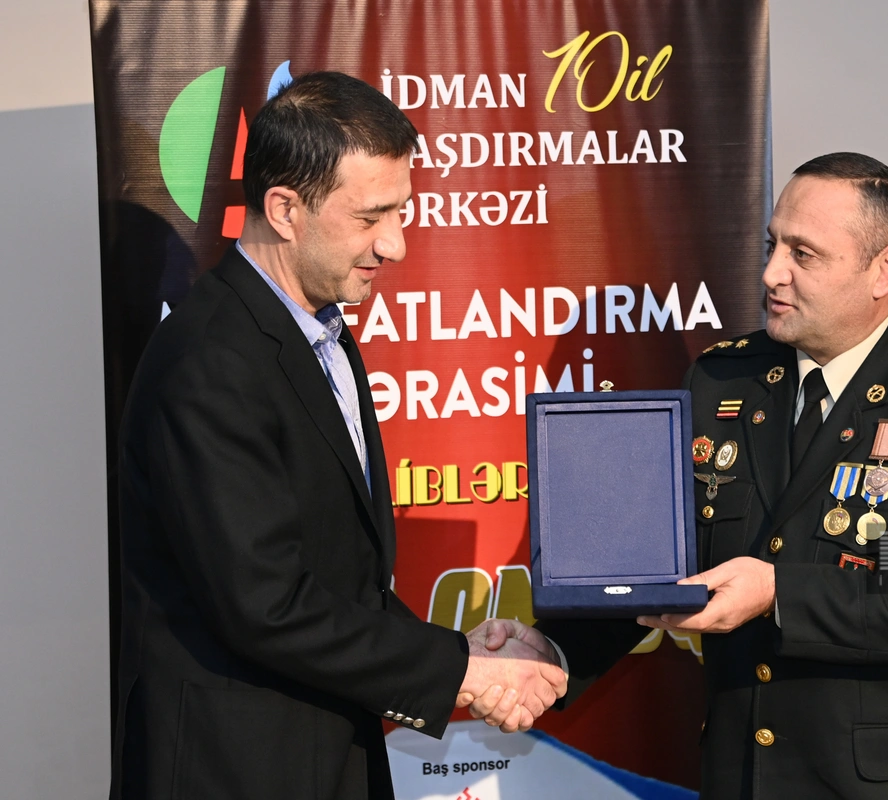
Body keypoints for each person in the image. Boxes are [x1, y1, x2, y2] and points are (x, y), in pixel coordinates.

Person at [475, 153, 888, 799]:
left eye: (804, 254)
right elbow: (657, 568)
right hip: (748, 776)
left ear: (885, 269)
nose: (772, 272)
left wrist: (780, 593)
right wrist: (550, 655)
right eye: (773, 244)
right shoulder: (723, 380)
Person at [110, 71, 564, 800]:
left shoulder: (319, 331)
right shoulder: (209, 362)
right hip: (235, 771)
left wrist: (453, 652)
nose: (397, 244)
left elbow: (337, 575)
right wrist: (462, 673)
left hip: (327, 750)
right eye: (370, 216)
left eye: (401, 210)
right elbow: (266, 603)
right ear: (284, 210)